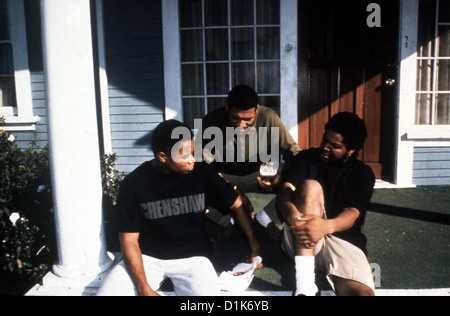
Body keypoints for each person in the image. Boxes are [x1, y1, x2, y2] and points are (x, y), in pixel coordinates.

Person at [97, 120, 262, 296]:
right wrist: (143, 287)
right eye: (185, 155)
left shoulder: (202, 173)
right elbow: (129, 240)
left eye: (193, 152)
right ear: (162, 156)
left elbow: (236, 204)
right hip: (147, 258)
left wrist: (254, 247)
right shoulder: (134, 183)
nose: (192, 160)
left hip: (193, 258)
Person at [277, 112, 376, 296]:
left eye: (335, 145)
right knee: (311, 186)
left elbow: (353, 213)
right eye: (325, 140)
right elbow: (284, 192)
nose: (325, 147)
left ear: (351, 150)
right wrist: (293, 217)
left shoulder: (362, 173)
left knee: (362, 295)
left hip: (342, 238)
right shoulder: (306, 158)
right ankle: (305, 288)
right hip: (299, 235)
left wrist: (324, 226)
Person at [201, 84, 301, 237]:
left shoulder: (268, 117)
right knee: (195, 183)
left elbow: (293, 152)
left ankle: (266, 217)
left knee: (299, 178)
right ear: (227, 107)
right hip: (225, 177)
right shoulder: (211, 120)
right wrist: (231, 188)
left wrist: (281, 177)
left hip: (260, 175)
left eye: (248, 119)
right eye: (236, 118)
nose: (241, 125)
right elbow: (199, 163)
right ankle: (229, 220)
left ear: (257, 109)